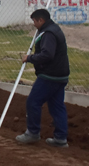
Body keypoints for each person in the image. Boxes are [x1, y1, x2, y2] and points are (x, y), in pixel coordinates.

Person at [16, 8, 70, 148]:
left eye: (34, 21)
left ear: (41, 20)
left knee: (33, 101)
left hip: (50, 75)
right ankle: (60, 138)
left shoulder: (49, 34)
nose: (33, 24)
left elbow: (47, 55)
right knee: (57, 106)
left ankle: (33, 133)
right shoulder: (53, 29)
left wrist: (30, 58)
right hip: (61, 75)